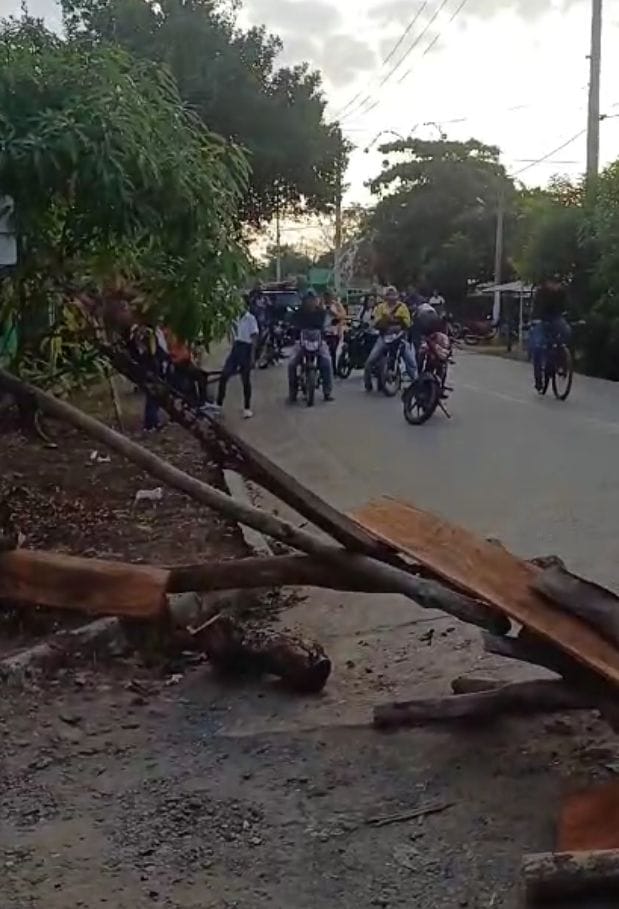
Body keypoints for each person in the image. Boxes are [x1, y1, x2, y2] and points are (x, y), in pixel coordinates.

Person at [364, 286, 417, 390]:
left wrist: (396, 321)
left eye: (393, 294)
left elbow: (407, 323)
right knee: (370, 361)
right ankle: (368, 383)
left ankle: (416, 383)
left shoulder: (403, 307)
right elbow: (376, 322)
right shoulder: (380, 307)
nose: (391, 297)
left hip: (399, 338)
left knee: (410, 361)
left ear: (397, 296)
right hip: (384, 337)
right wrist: (385, 321)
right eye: (389, 294)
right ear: (385, 296)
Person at [287, 290, 334, 403]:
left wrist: (328, 330)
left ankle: (327, 392)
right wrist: (290, 329)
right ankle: (292, 392)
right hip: (302, 341)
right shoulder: (298, 313)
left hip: (318, 341)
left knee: (327, 362)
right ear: (304, 301)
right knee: (291, 364)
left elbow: (327, 324)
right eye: (308, 300)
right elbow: (291, 323)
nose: (310, 302)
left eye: (312, 300)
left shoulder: (321, 313)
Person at [216, 302, 259, 418]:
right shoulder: (233, 317)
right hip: (236, 347)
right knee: (224, 375)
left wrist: (252, 356)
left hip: (246, 347)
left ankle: (247, 407)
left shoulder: (250, 318)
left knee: (245, 379)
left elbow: (254, 337)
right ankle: (218, 405)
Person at [529, 277, 571, 392]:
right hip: (540, 318)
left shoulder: (561, 293)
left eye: (557, 284)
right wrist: (535, 320)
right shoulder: (540, 292)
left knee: (566, 331)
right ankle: (538, 379)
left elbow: (567, 307)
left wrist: (573, 317)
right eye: (553, 283)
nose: (555, 286)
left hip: (555, 317)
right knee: (538, 346)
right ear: (547, 283)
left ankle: (560, 360)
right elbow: (535, 309)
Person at [323, 288, 347, 371]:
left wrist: (334, 313)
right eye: (326, 296)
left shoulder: (336, 305)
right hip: (323, 331)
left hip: (334, 332)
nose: (327, 298)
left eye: (329, 296)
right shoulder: (321, 305)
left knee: (332, 351)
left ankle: (333, 369)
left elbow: (343, 315)